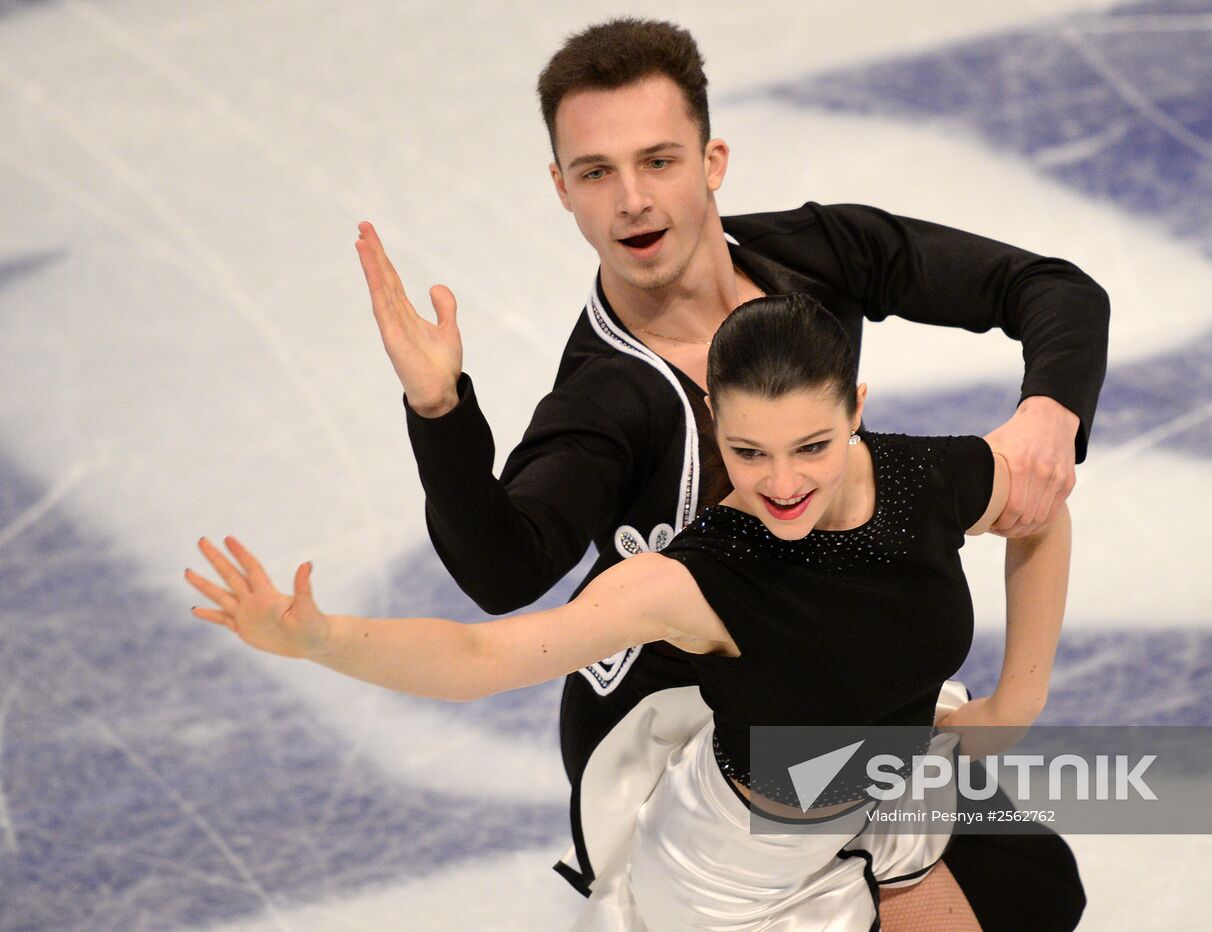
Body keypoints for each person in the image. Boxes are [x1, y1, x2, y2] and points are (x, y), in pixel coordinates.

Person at [360, 16, 1104, 926]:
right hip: (677, 730)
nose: (632, 199)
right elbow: (506, 570)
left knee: (1031, 892)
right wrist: (439, 413)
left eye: (658, 160)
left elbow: (1051, 290)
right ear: (562, 189)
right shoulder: (611, 398)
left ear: (712, 161)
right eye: (597, 172)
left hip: (823, 674)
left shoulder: (816, 258)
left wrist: (1047, 415)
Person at [187, 295, 1071, 929]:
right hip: (743, 878)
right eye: (748, 452)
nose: (785, 482)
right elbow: (480, 659)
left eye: (813, 445)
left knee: (1038, 891)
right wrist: (319, 639)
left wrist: (1015, 704)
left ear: (859, 411)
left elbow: (1043, 510)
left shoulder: (923, 480)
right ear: (716, 427)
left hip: (888, 798)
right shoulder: (701, 574)